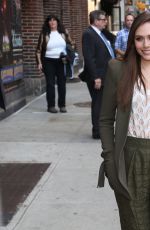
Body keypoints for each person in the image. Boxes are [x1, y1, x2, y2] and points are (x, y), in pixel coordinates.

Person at [98, 11, 150, 230]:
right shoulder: (118, 69)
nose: (146, 44)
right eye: (139, 38)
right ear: (132, 40)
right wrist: (110, 163)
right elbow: (106, 119)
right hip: (131, 158)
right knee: (135, 224)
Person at [82, 10, 115, 139]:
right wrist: (96, 77)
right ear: (96, 21)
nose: (106, 22)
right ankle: (97, 132)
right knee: (98, 104)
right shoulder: (88, 34)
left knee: (103, 104)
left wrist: (104, 29)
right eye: (103, 20)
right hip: (98, 76)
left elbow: (114, 39)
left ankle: (102, 129)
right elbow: (89, 58)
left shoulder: (100, 33)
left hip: (105, 74)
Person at [36, 14, 72, 113]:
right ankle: (51, 106)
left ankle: (62, 105)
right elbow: (38, 50)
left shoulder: (64, 33)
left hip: (61, 61)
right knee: (50, 84)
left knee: (62, 84)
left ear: (57, 22)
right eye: (50, 20)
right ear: (48, 23)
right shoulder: (44, 34)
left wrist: (68, 54)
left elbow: (71, 44)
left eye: (54, 20)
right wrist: (39, 63)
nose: (52, 22)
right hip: (48, 61)